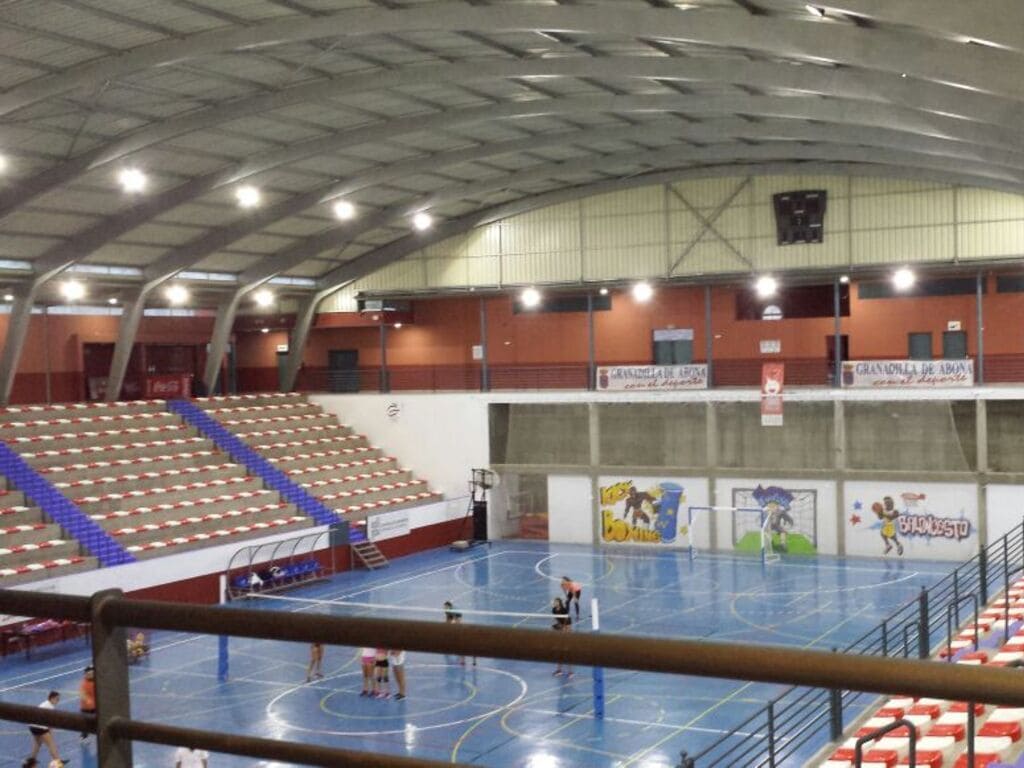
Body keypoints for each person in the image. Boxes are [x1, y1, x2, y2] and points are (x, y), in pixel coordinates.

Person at [25, 690, 63, 768]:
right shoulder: (50, 707)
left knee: (37, 744)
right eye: (57, 699)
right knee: (51, 744)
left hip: (32, 726)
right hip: (40, 727)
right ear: (52, 698)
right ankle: (58, 761)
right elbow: (50, 723)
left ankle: (31, 762)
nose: (58, 701)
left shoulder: (45, 703)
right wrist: (50, 733)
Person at [443, 600, 476, 666]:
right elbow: (447, 619)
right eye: (444, 607)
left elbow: (456, 619)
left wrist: (454, 624)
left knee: (457, 625)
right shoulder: (446, 611)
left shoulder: (454, 610)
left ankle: (465, 661)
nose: (444, 608)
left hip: (457, 615)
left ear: (450, 606)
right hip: (452, 615)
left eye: (446, 607)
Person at [551, 597, 573, 678]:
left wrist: (564, 629)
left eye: (556, 602)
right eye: (554, 602)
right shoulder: (553, 610)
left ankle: (571, 672)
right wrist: (557, 626)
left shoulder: (564, 610)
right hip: (561, 629)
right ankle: (559, 670)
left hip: (567, 627)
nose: (555, 603)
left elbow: (568, 621)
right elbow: (557, 619)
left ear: (560, 603)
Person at [79, 666, 95, 741]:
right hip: (86, 708)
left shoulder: (96, 681)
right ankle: (83, 737)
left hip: (95, 707)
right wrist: (87, 700)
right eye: (88, 674)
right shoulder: (84, 684)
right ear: (85, 674)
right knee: (85, 723)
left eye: (92, 673)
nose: (90, 675)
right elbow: (82, 694)